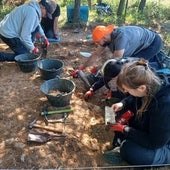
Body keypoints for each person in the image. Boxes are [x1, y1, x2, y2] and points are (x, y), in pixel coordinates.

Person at [103, 59, 170, 165]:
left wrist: (125, 129)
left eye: (128, 90)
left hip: (162, 142)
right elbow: (135, 97)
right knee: (128, 112)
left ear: (142, 88)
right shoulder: (149, 81)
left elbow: (155, 142)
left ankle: (165, 157)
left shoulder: (164, 106)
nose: (126, 92)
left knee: (130, 151)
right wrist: (123, 103)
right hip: (156, 131)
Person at [70, 24, 166, 78]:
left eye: (98, 42)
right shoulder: (107, 38)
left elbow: (115, 62)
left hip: (153, 43)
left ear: (104, 37)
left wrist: (98, 71)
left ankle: (155, 69)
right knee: (128, 61)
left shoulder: (121, 38)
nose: (97, 44)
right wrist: (82, 68)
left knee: (135, 65)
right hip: (140, 43)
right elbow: (96, 54)